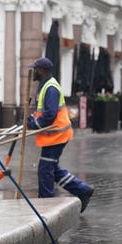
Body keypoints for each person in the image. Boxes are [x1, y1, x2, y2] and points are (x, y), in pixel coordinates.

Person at [26, 57, 94, 212]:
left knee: (45, 169)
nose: (33, 72)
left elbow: (49, 114)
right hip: (53, 135)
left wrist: (34, 124)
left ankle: (46, 204)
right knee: (52, 168)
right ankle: (82, 190)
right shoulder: (45, 86)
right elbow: (43, 112)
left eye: (35, 69)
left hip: (57, 135)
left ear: (42, 70)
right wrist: (31, 120)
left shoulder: (50, 88)